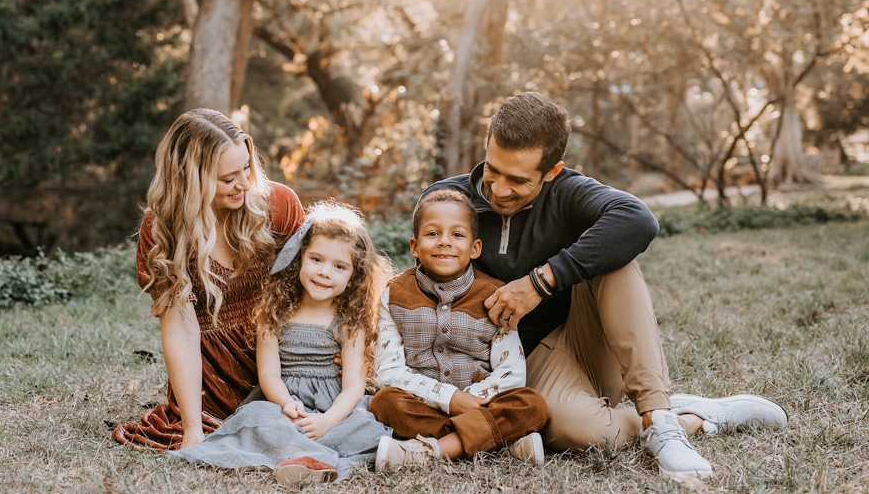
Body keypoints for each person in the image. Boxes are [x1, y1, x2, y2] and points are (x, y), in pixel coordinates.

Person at [422, 91, 788, 480]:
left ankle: (659, 419)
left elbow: (638, 220)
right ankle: (694, 417)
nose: (498, 189)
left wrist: (539, 283)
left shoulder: (566, 192)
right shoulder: (447, 202)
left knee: (614, 253)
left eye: (518, 179)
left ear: (551, 171)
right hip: (511, 370)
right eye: (493, 170)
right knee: (582, 434)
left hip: (578, 340)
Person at [112, 109, 304, 452]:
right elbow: (179, 329)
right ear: (190, 178)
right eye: (228, 177)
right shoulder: (163, 230)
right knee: (223, 433)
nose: (244, 183)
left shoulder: (278, 205)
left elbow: (314, 294)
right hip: (213, 377)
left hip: (285, 357)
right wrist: (191, 429)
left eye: (246, 168)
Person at [168, 201, 393, 485]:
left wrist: (328, 420)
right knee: (259, 415)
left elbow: (353, 387)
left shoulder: (350, 322)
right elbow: (269, 375)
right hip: (285, 403)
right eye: (317, 259)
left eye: (339, 266)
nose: (325, 272)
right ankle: (303, 456)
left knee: (364, 425)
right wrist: (286, 403)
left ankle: (306, 453)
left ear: (353, 277)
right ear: (299, 259)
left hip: (333, 406)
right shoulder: (274, 313)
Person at [370, 189, 551, 471]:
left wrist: (472, 400)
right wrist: (449, 399)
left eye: (457, 235)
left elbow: (511, 371)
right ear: (414, 246)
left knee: (531, 404)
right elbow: (388, 371)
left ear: (475, 247)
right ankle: (499, 443)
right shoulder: (394, 294)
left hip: (483, 402)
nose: (445, 242)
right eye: (432, 234)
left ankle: (433, 450)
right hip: (424, 402)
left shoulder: (495, 294)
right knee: (385, 402)